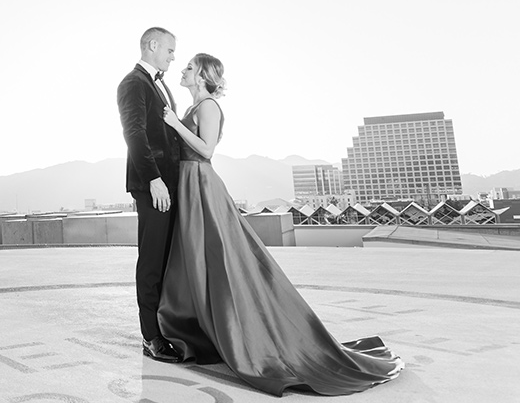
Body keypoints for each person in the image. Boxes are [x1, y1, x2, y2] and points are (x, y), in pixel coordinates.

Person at [158, 53, 404, 396]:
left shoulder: (208, 107)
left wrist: (173, 125)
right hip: (188, 184)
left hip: (201, 184)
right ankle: (199, 331)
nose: (181, 70)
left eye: (187, 67)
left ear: (200, 75)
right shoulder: (193, 108)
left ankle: (242, 333)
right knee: (195, 259)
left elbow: (207, 150)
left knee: (217, 258)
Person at [117, 27, 184, 363]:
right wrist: (154, 179)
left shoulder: (158, 84)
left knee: (168, 259)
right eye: (170, 50)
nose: (173, 57)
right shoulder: (133, 83)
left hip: (169, 185)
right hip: (153, 186)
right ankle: (151, 337)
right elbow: (134, 133)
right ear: (153, 45)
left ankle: (169, 327)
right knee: (152, 260)